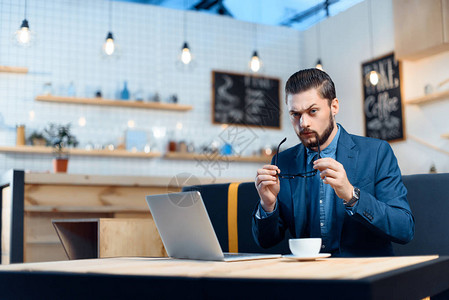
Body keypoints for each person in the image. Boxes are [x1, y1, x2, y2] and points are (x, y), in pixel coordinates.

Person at [253, 68, 414, 257]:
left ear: (334, 106)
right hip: (308, 277)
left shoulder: (377, 153)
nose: (303, 122)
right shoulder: (284, 162)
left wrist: (352, 195)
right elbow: (266, 241)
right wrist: (268, 205)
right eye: (295, 114)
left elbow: (404, 229)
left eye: (312, 111)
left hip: (362, 274)